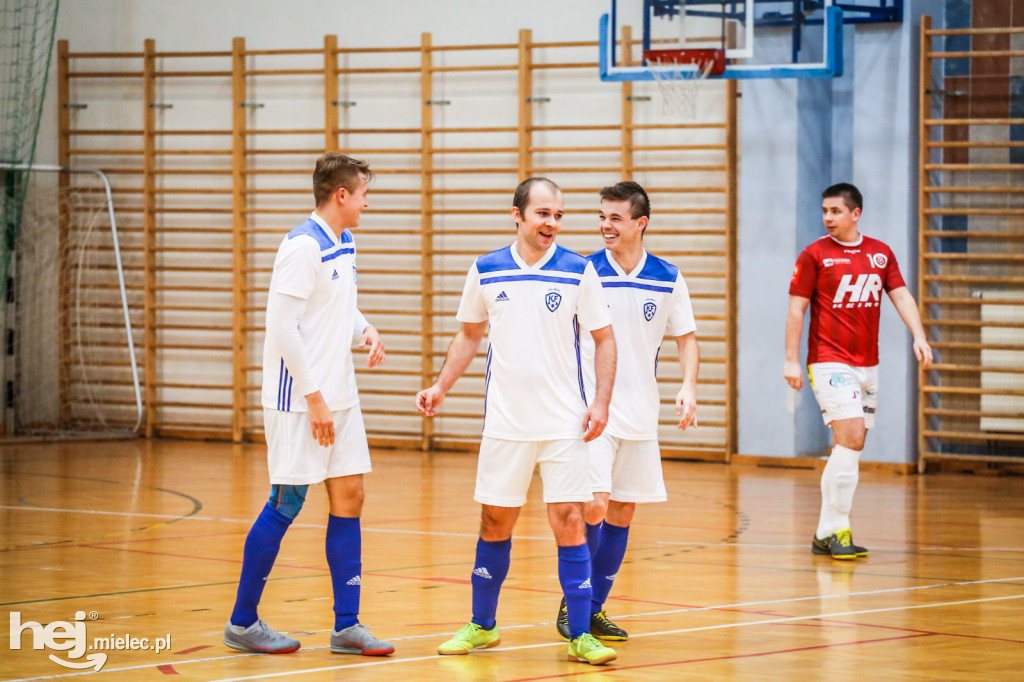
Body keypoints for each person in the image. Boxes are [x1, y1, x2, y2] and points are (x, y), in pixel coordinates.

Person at [415, 177, 620, 666]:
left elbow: (605, 340)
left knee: (570, 521)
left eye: (558, 215)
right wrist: (440, 386)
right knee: (494, 522)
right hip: (506, 423)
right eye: (542, 214)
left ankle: (580, 632)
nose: (551, 223)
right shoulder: (486, 269)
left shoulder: (578, 271)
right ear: (517, 215)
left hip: (565, 424)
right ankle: (482, 626)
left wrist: (601, 403)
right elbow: (468, 337)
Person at [223, 153, 394, 656]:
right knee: (287, 502)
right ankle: (242, 622)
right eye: (363, 193)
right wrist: (314, 397)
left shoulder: (344, 241)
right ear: (341, 195)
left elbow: (337, 302)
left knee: (351, 498)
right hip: (300, 401)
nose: (367, 202)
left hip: (339, 396)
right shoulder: (301, 245)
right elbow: (282, 327)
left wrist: (365, 328)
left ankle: (347, 626)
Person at [554, 181, 699, 642]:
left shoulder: (669, 276)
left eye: (615, 218)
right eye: (601, 216)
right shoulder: (582, 271)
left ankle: (593, 609)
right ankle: (573, 605)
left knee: (622, 512)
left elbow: (687, 338)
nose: (605, 226)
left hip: (641, 412)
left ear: (641, 223)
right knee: (593, 504)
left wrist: (688, 387)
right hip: (591, 410)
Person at [784, 182, 932, 560]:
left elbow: (900, 294)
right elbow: (797, 309)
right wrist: (791, 359)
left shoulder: (880, 254)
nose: (828, 218)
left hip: (869, 364)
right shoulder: (815, 254)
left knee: (845, 448)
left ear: (855, 214)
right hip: (829, 359)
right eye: (824, 211)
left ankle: (822, 532)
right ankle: (842, 529)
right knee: (852, 438)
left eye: (835, 211)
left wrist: (919, 335)